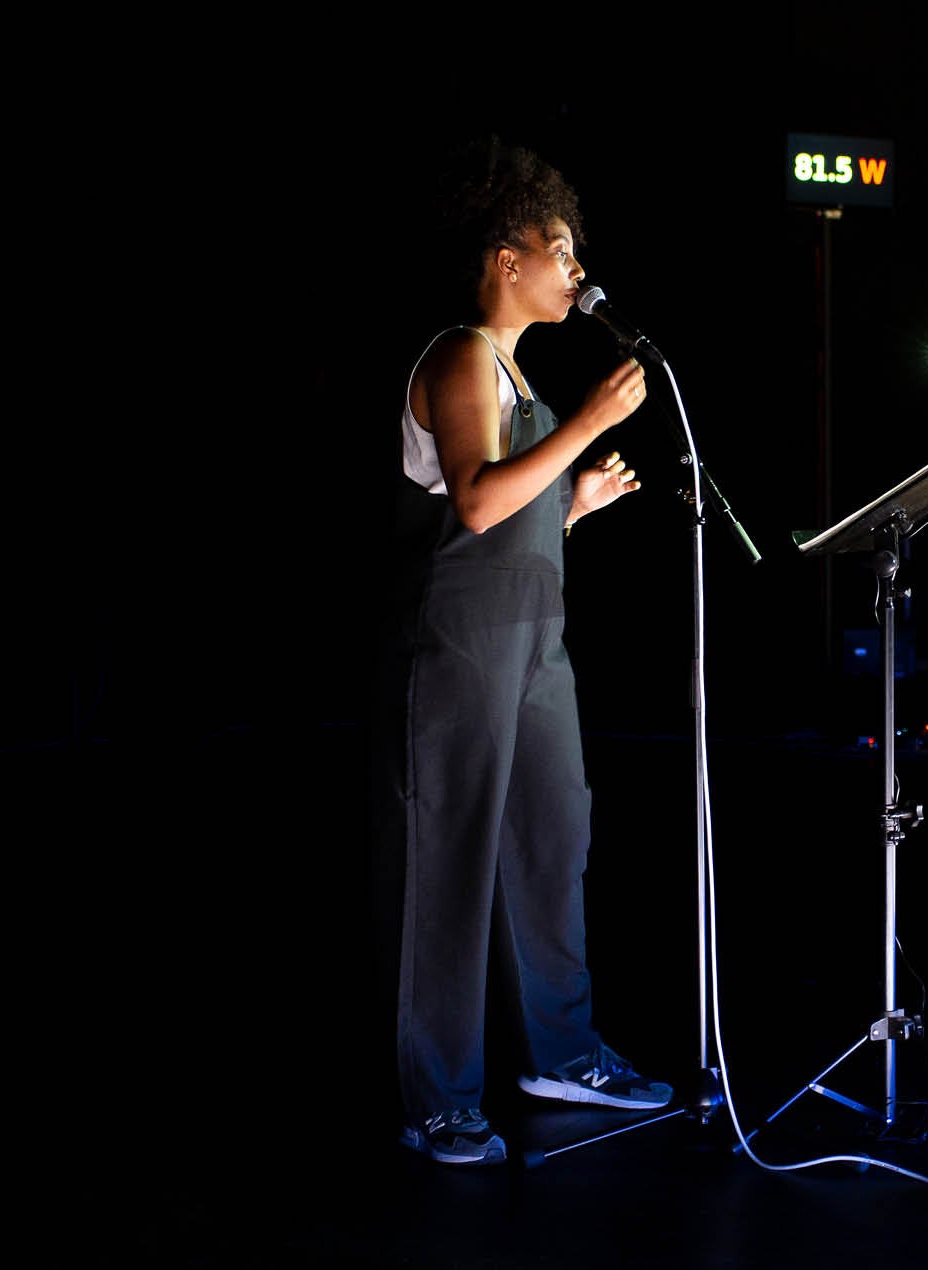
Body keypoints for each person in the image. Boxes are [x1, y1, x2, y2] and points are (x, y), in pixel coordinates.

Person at [376, 137, 671, 1168]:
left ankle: (560, 1051)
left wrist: (571, 508)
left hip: (536, 645)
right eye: (563, 250)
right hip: (460, 647)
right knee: (451, 866)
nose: (576, 270)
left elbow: (515, 513)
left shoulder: (513, 371)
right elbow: (472, 500)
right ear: (510, 257)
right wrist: (585, 428)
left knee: (554, 843)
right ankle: (441, 1098)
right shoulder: (461, 352)